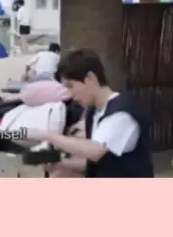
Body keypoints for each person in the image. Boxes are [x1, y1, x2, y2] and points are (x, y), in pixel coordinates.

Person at [27, 48, 154, 178]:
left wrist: (48, 135)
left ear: (90, 78)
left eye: (71, 86)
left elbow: (95, 151)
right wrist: (61, 164)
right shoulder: (94, 112)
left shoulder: (121, 114)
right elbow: (96, 164)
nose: (69, 94)